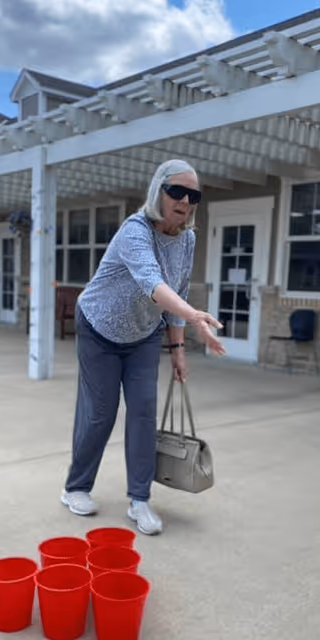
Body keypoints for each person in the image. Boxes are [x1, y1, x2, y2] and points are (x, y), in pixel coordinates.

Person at [61, 159, 225, 536]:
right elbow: (153, 283)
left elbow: (178, 288)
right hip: (99, 326)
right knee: (100, 413)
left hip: (144, 334)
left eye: (193, 195)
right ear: (158, 191)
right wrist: (194, 315)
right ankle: (76, 488)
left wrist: (179, 348)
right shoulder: (135, 230)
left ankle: (139, 499)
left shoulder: (188, 239)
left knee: (143, 415)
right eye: (176, 191)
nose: (184, 200)